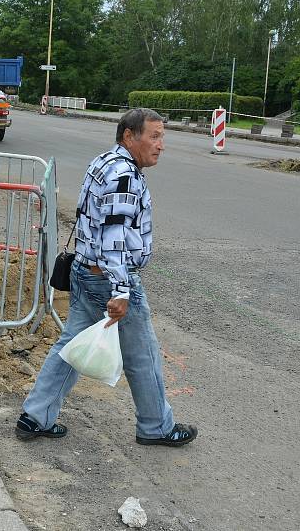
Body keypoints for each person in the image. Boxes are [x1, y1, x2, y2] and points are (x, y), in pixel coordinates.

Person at [16, 108, 197, 447]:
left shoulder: (103, 162)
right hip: (109, 279)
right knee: (142, 355)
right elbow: (115, 237)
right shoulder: (125, 175)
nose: (161, 145)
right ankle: (156, 426)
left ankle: (35, 417)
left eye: (163, 137)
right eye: (154, 136)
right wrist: (122, 291)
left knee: (70, 347)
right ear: (130, 136)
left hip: (86, 272)